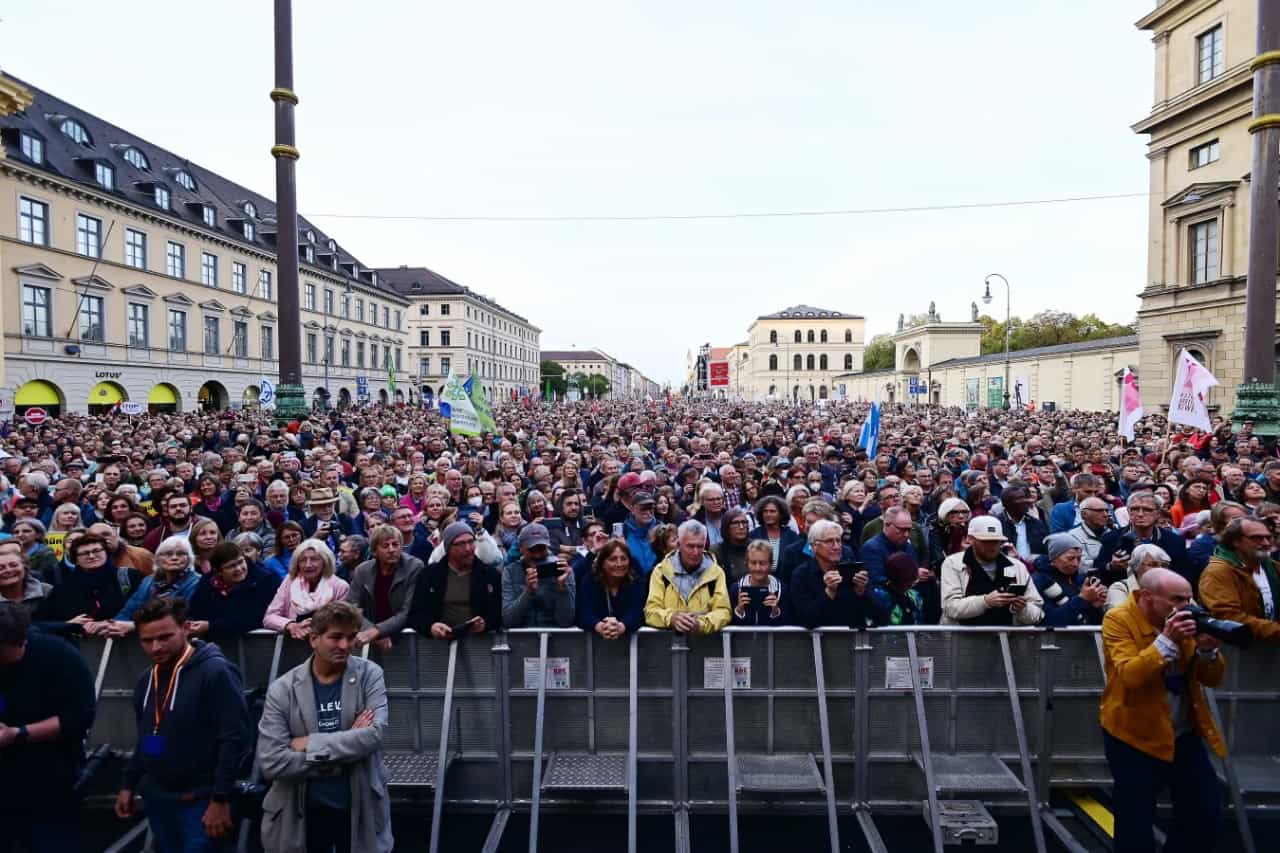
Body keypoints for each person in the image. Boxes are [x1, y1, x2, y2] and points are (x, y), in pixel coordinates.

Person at [1100, 568, 1224, 853]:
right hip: (1133, 734)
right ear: (1147, 597)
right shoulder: (1118, 619)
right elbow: (1130, 675)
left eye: (1189, 599)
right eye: (1177, 599)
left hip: (1183, 733)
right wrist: (1167, 639)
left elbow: (1213, 678)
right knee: (1135, 821)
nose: (1186, 606)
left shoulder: (1189, 620)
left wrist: (1208, 652)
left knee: (1204, 814)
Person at [115, 597, 250, 853]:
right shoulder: (148, 680)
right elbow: (150, 736)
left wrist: (220, 798)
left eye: (165, 637)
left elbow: (234, 740)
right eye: (147, 640)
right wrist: (129, 784)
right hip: (160, 800)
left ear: (186, 628)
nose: (156, 647)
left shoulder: (215, 673)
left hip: (200, 803)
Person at [256, 601, 393, 853]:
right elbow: (271, 761)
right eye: (336, 637)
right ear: (314, 639)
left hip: (358, 807)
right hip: (301, 813)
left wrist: (309, 744)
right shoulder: (283, 689)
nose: (345, 645)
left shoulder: (369, 675)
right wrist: (348, 744)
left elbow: (374, 736)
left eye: (351, 637)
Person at [0, 601, 96, 853]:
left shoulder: (59, 658)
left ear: (21, 642)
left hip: (50, 777)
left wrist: (17, 734)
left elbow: (79, 717)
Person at [940, 516, 1044, 626]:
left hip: (1007, 640)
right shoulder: (952, 563)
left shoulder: (1017, 566)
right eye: (986, 541)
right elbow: (950, 608)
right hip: (963, 639)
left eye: (996, 541)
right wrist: (985, 602)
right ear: (970, 539)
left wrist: (1022, 608)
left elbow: (1037, 614)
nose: (992, 546)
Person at [407, 521, 503, 639]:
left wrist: (486, 624)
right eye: (461, 544)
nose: (468, 548)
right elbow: (416, 614)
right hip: (439, 646)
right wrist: (431, 627)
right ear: (448, 547)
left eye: (470, 542)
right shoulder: (429, 575)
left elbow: (500, 612)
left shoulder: (490, 575)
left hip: (479, 645)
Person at [1198, 517, 1280, 643]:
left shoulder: (1272, 567)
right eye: (1256, 538)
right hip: (1238, 653)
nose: (1266, 543)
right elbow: (1229, 617)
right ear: (1235, 541)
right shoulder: (1218, 572)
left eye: (1268, 537)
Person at [643, 519, 732, 634]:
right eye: (690, 546)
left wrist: (701, 624)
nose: (695, 552)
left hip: (707, 645)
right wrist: (672, 618)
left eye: (700, 546)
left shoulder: (716, 572)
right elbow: (650, 611)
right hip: (667, 646)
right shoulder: (660, 571)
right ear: (679, 545)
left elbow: (724, 611)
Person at [345, 525, 424, 651]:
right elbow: (351, 607)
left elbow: (407, 611)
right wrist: (372, 631)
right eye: (385, 546)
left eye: (395, 544)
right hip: (368, 638)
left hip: (403, 638)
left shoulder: (414, 567)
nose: (392, 550)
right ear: (374, 551)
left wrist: (378, 630)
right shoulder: (362, 570)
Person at [103, 536, 202, 638]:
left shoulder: (196, 583)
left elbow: (182, 619)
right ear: (158, 559)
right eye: (168, 554)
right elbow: (129, 610)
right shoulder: (148, 581)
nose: (174, 558)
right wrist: (113, 625)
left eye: (181, 554)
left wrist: (135, 626)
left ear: (189, 559)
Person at [188, 541, 281, 643]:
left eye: (241, 562)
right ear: (218, 571)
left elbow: (255, 618)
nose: (239, 569)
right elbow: (195, 609)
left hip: (255, 645)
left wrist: (211, 626)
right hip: (215, 643)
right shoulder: (208, 581)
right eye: (231, 566)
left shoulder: (265, 579)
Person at [1094, 492, 1189, 586]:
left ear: (1158, 513)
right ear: (1128, 511)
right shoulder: (1111, 539)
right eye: (1135, 509)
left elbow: (1184, 576)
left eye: (1147, 510)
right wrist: (1111, 566)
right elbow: (1097, 573)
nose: (1140, 514)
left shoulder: (1174, 541)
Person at [264, 540, 351, 640]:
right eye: (303, 560)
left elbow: (340, 623)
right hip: (292, 645)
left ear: (325, 561)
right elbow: (269, 617)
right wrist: (292, 626)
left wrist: (313, 629)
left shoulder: (340, 586)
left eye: (314, 559)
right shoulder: (290, 581)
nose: (308, 565)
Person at [791, 519, 868, 628]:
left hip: (852, 640)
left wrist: (862, 592)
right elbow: (806, 620)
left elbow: (881, 616)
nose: (837, 547)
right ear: (814, 547)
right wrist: (829, 592)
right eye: (829, 541)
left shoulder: (853, 570)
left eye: (838, 540)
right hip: (818, 641)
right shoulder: (801, 575)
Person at [502, 522, 576, 628]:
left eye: (541, 549)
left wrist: (562, 589)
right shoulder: (510, 572)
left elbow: (566, 621)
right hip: (522, 639)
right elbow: (509, 621)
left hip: (555, 637)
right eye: (532, 549)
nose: (537, 555)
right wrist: (528, 592)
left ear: (548, 547)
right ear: (521, 548)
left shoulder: (562, 570)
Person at [576, 538, 646, 638]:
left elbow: (638, 611)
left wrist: (621, 626)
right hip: (594, 644)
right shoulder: (589, 581)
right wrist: (600, 626)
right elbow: (584, 612)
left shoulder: (636, 581)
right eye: (613, 559)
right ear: (602, 562)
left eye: (623, 559)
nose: (619, 564)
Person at [1032, 534, 1106, 627]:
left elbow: (1093, 623)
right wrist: (1082, 599)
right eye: (1070, 559)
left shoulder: (1082, 580)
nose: (1075, 564)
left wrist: (1095, 606)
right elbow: (1048, 621)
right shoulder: (1039, 581)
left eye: (1079, 559)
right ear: (1054, 558)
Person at [730, 540, 789, 626]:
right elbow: (729, 625)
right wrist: (739, 611)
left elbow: (789, 625)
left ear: (771, 564)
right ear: (747, 563)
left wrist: (775, 612)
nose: (758, 568)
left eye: (762, 563)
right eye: (753, 563)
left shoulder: (782, 589)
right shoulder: (736, 589)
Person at [859, 506, 919, 586]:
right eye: (901, 530)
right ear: (887, 525)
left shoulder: (907, 546)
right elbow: (876, 581)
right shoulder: (871, 548)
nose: (906, 534)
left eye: (909, 530)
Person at [868, 552, 929, 626]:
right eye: (908, 582)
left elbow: (921, 623)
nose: (912, 584)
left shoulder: (915, 597)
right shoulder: (878, 598)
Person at [1106, 544, 1172, 611]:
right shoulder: (1120, 588)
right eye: (1153, 564)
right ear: (1136, 566)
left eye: (1164, 565)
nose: (1160, 569)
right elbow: (1119, 619)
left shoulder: (1169, 590)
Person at [714, 506, 752, 582]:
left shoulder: (755, 547)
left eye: (744, 522)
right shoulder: (717, 551)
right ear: (727, 527)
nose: (741, 527)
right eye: (736, 523)